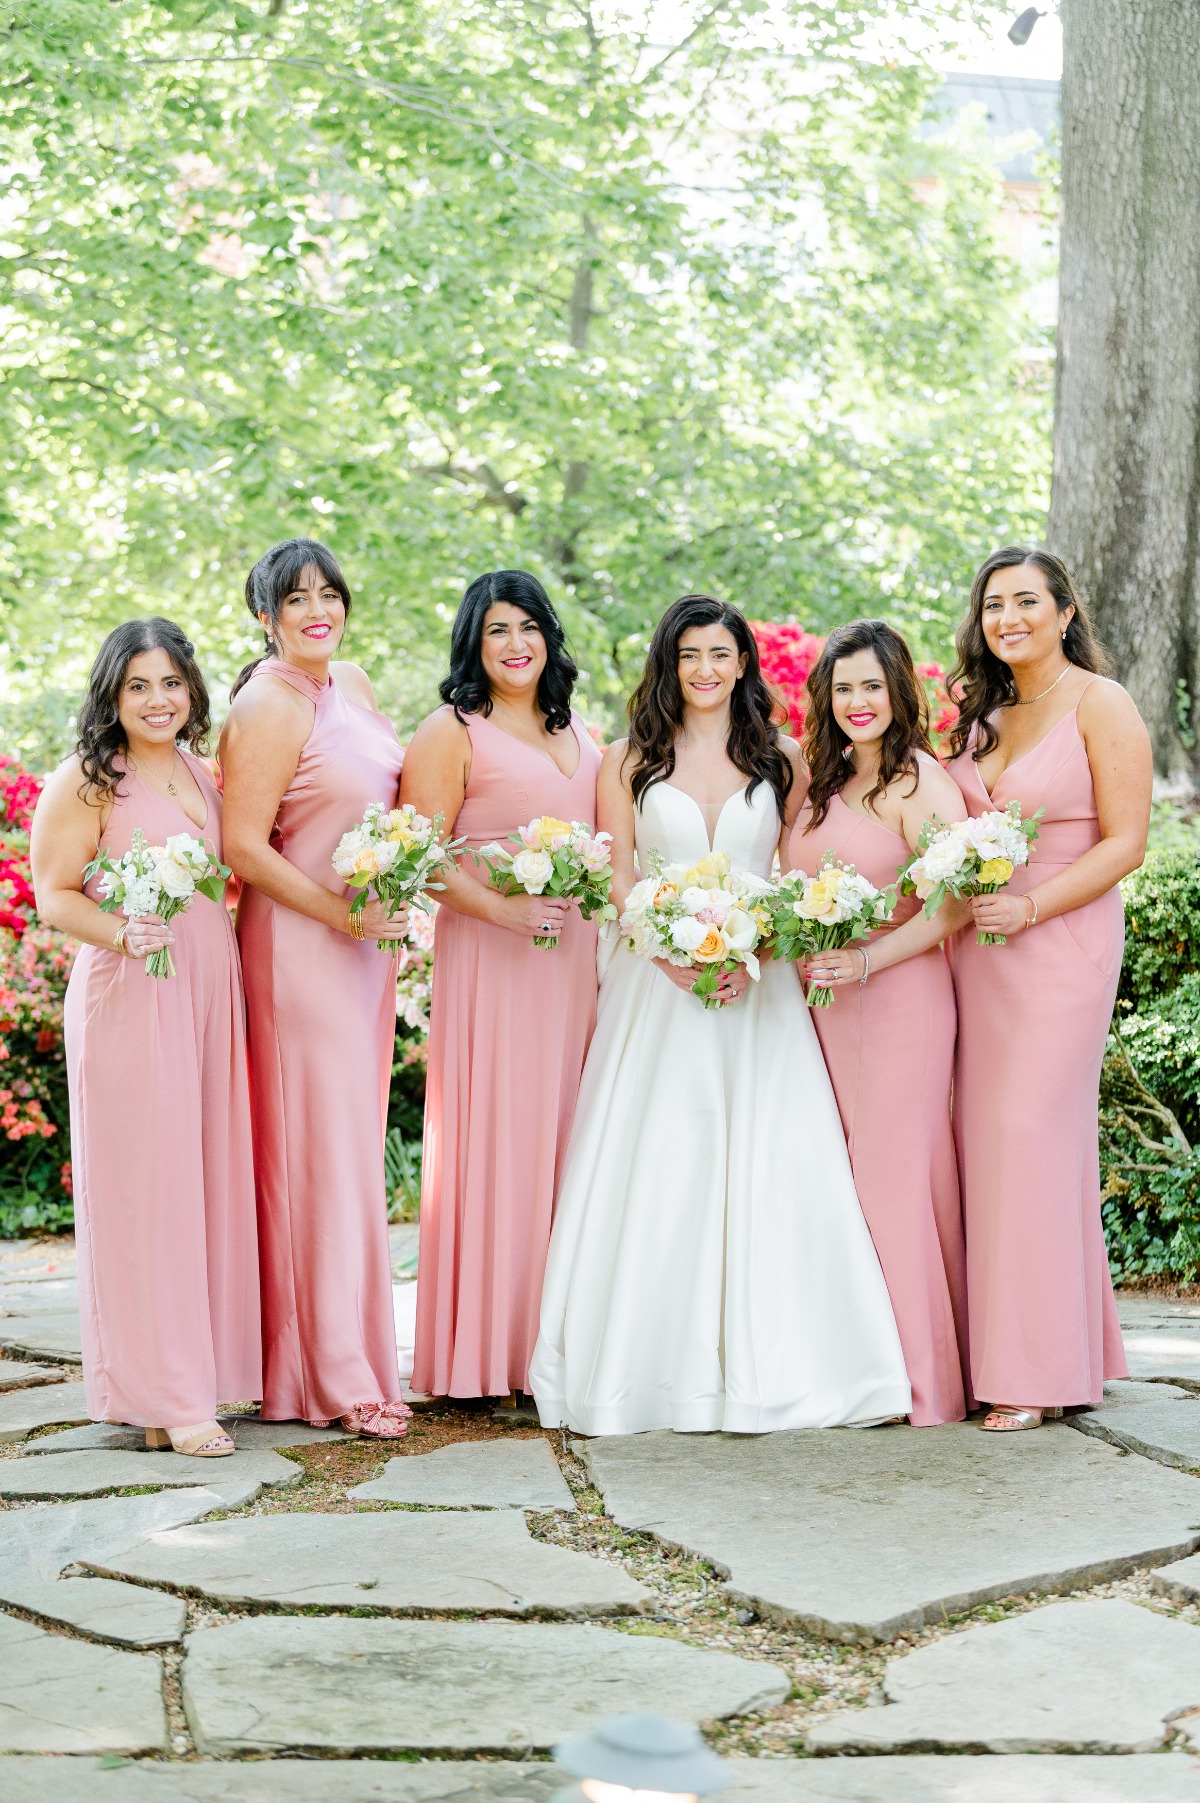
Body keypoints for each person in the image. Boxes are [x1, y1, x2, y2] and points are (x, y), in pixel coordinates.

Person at [529, 593, 911, 1435]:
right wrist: (669, 953)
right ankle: (644, 1367)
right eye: (689, 654)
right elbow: (618, 874)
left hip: (757, 987)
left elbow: (800, 866)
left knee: (771, 1156)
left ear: (743, 664)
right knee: (658, 1153)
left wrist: (758, 946)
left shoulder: (780, 758)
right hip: (653, 987)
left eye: (720, 654)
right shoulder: (627, 758)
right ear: (668, 664)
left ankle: (788, 1363)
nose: (705, 669)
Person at [31, 619, 261, 1457]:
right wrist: (122, 933)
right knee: (144, 1192)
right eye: (139, 686)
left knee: (197, 1185)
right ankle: (162, 1393)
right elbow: (53, 894)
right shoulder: (87, 783)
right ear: (112, 696)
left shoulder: (204, 773)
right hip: (129, 994)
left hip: (205, 991)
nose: (158, 700)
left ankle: (194, 1375)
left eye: (170, 683)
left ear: (192, 691)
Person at [945, 545, 1150, 1430]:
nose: (1009, 618)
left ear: (1066, 612)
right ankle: (1042, 1343)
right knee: (985, 1143)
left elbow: (1125, 841)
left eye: (1027, 601)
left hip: (1060, 938)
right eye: (995, 604)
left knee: (1030, 1135)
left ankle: (1032, 1369)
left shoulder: (1102, 704)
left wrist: (1029, 909)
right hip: (975, 952)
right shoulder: (979, 715)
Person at [220, 538, 409, 1437]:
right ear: (266, 615)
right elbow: (244, 848)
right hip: (301, 948)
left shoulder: (356, 686)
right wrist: (342, 918)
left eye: (329, 594)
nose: (316, 610)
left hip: (364, 949)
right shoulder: (265, 704)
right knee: (313, 1152)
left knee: (347, 1152)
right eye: (296, 599)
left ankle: (358, 1352)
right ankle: (323, 1375)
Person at [401, 570, 602, 1401]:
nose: (516, 644)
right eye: (496, 631)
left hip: (577, 964)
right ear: (473, 646)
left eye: (527, 626)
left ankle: (558, 1348)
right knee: (499, 1141)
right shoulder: (453, 730)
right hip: (494, 959)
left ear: (549, 634)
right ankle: (485, 1355)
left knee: (573, 1142)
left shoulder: (581, 732)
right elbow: (419, 855)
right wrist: (504, 911)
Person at [790, 619, 970, 1426]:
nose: (857, 701)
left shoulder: (920, 783)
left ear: (900, 690)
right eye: (843, 686)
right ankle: (862, 1370)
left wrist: (866, 960)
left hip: (898, 999)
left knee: (894, 1184)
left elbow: (954, 903)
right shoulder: (818, 784)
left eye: (871, 684)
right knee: (843, 1187)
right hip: (823, 1009)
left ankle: (924, 1384)